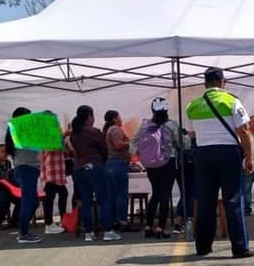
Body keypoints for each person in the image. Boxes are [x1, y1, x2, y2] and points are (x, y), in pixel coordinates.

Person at [185, 67, 254, 258]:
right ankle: (240, 247)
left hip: (203, 154)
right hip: (228, 153)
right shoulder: (231, 101)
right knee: (232, 199)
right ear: (223, 82)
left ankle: (203, 246)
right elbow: (244, 131)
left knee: (206, 201)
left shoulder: (192, 105)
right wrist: (250, 156)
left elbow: (192, 134)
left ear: (205, 83)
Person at [131, 97, 184, 238]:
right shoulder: (172, 125)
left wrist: (143, 157)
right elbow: (183, 144)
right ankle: (160, 228)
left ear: (152, 109)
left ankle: (148, 227)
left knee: (155, 193)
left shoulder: (144, 125)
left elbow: (133, 144)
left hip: (150, 165)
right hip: (168, 162)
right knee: (165, 194)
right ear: (166, 109)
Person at [70, 105, 120, 242]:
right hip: (94, 167)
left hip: (79, 169)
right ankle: (108, 231)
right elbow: (103, 151)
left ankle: (89, 233)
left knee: (86, 201)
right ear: (89, 117)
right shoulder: (95, 132)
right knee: (103, 199)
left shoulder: (74, 134)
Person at [5, 107, 42, 244]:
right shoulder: (22, 131)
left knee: (33, 202)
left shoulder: (17, 131)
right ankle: (24, 233)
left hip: (25, 169)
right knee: (28, 202)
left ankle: (22, 229)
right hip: (26, 169)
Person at [103, 110, 136, 232]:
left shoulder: (109, 130)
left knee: (112, 195)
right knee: (121, 195)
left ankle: (114, 221)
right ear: (115, 118)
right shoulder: (115, 129)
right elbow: (117, 145)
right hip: (118, 164)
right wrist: (131, 143)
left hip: (111, 165)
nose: (121, 119)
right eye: (119, 117)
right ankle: (123, 221)